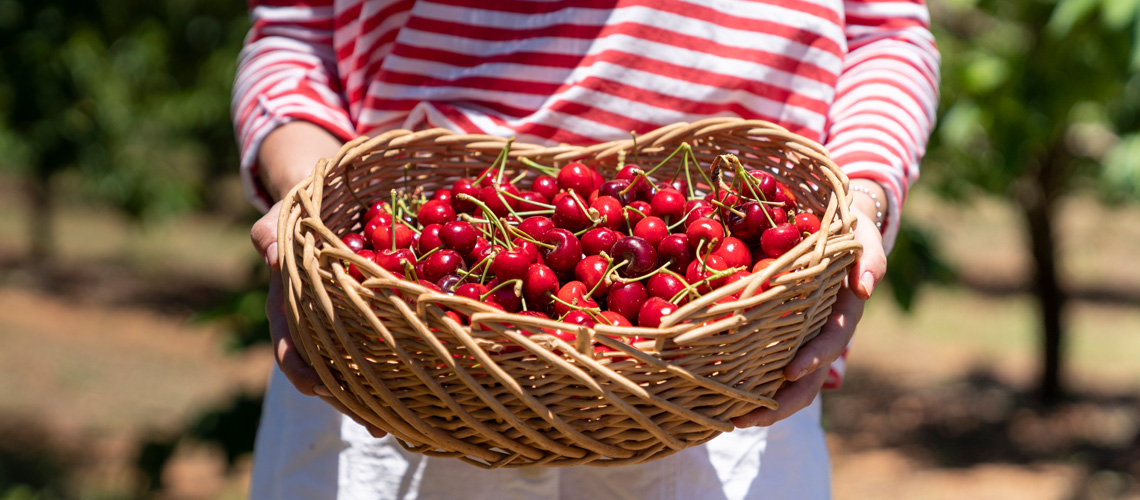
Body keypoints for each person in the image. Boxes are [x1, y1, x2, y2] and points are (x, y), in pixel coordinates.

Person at [238, 1, 940, 498]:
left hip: (727, 373)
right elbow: (294, 32)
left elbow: (887, 32)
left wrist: (859, 208)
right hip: (401, 358)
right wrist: (308, 204)